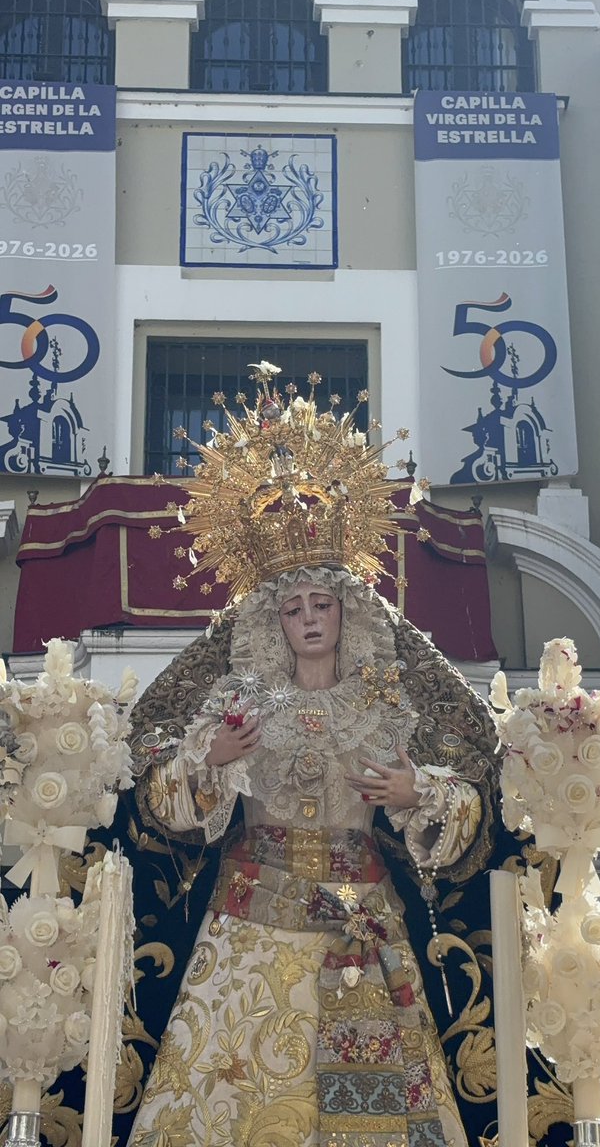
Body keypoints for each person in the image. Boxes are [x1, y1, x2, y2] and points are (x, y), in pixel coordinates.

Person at [120, 368, 500, 1147]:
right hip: (249, 925)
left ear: (346, 610)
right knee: (232, 1107)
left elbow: (470, 786)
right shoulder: (242, 698)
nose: (307, 620)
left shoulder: (386, 702)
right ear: (274, 623)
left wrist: (413, 790)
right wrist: (210, 761)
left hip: (362, 921)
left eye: (320, 604)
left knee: (371, 1118)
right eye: (291, 610)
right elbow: (157, 783)